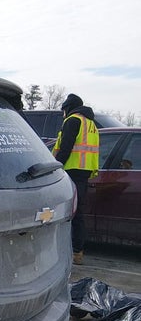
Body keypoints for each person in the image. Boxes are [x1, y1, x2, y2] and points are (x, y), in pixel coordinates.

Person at [52, 93, 99, 264]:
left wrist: (55, 167)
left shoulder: (73, 120)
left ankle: (70, 251)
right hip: (84, 172)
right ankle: (78, 252)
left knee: (65, 212)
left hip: (70, 171)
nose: (63, 113)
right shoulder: (91, 123)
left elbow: (65, 148)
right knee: (78, 213)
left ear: (68, 107)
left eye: (64, 109)